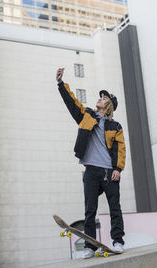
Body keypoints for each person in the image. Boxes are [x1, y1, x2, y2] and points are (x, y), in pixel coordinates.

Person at [56, 68, 126, 259]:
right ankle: (89, 246)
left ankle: (118, 241)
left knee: (115, 208)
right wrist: (61, 84)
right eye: (100, 97)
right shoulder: (87, 115)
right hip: (91, 171)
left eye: (104, 98)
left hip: (109, 172)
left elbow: (120, 149)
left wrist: (118, 169)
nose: (99, 99)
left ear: (109, 105)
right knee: (90, 209)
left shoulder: (115, 126)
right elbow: (72, 103)